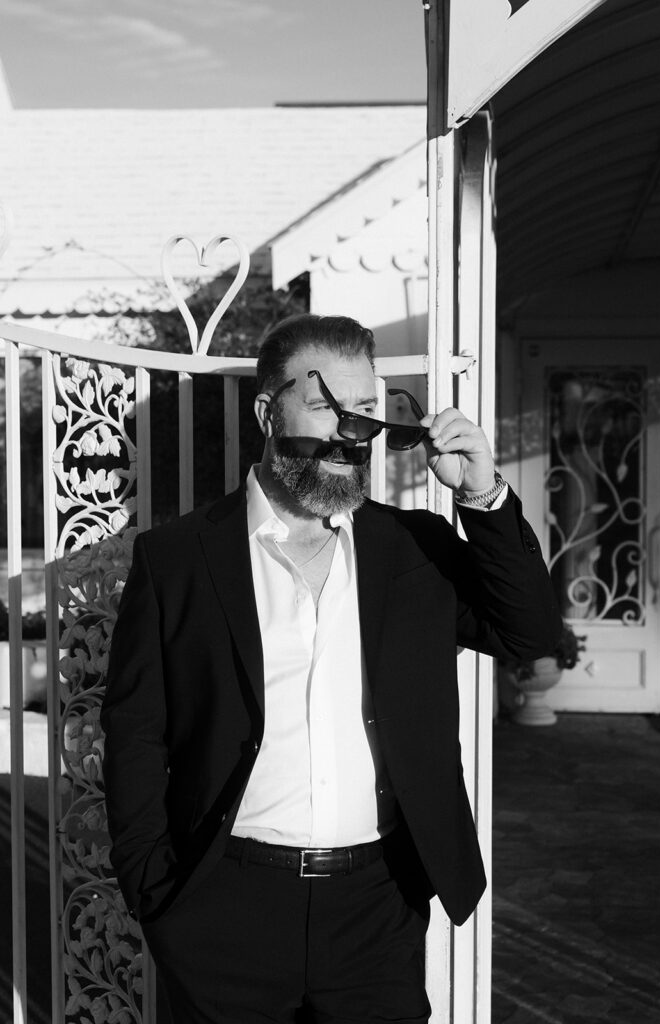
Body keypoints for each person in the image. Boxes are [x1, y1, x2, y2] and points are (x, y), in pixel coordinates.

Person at [101, 313, 561, 1024]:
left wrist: (480, 496)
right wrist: (154, 891)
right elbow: (135, 733)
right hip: (223, 908)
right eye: (326, 407)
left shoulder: (415, 547)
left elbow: (526, 630)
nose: (352, 433)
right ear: (267, 410)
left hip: (376, 909)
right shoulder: (178, 559)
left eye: (367, 413)